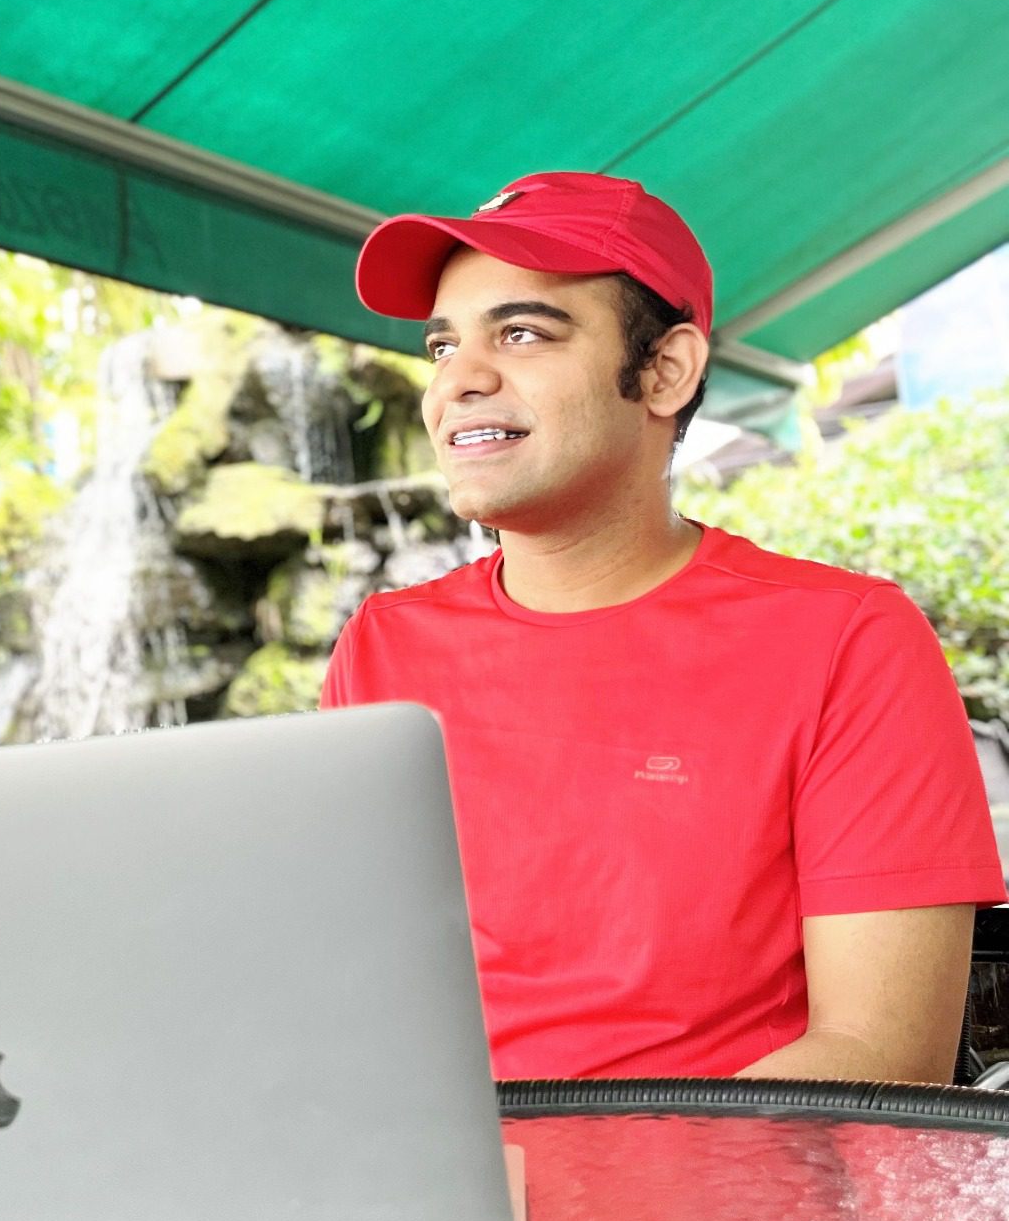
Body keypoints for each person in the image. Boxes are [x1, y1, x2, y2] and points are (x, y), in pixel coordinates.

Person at [323, 170, 1004, 1082]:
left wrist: (564, 1171)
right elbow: (344, 989)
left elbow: (881, 1056)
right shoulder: (381, 645)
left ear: (664, 371)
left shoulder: (848, 640)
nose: (460, 381)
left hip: (731, 1174)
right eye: (443, 346)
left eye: (522, 333)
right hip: (427, 1165)